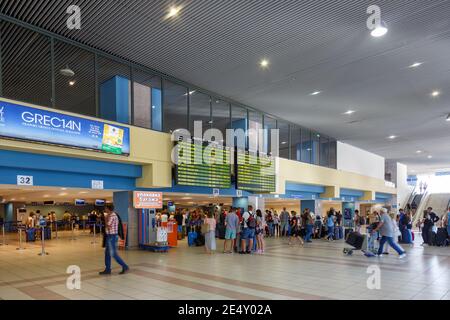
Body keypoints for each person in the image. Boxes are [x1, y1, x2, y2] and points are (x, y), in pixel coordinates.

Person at [99, 204, 129, 275]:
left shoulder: (112, 216)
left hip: (111, 237)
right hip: (110, 236)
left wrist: (106, 218)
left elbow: (108, 226)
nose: (105, 210)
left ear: (108, 209)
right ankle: (107, 269)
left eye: (105, 208)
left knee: (113, 254)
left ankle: (125, 266)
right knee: (107, 253)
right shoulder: (112, 215)